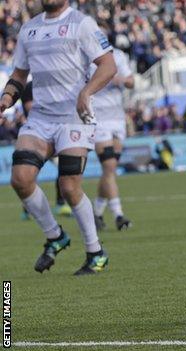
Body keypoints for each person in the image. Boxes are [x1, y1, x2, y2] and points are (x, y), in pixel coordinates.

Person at [0, 0, 117, 275]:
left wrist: (86, 92)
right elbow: (19, 74)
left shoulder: (82, 24)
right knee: (21, 178)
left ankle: (95, 252)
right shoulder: (29, 29)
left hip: (73, 117)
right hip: (40, 117)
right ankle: (55, 236)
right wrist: (6, 98)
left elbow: (108, 65)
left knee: (68, 185)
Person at [91, 22, 134, 232]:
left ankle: (96, 212)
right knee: (109, 167)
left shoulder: (118, 55)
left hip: (117, 117)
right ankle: (118, 215)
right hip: (98, 118)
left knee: (110, 170)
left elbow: (132, 82)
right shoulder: (86, 57)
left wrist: (120, 79)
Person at [19, 81, 73, 221]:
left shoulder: (52, 86)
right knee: (29, 173)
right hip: (35, 134)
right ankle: (27, 209)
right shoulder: (30, 86)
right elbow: (29, 107)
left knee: (63, 166)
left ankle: (60, 203)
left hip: (52, 134)